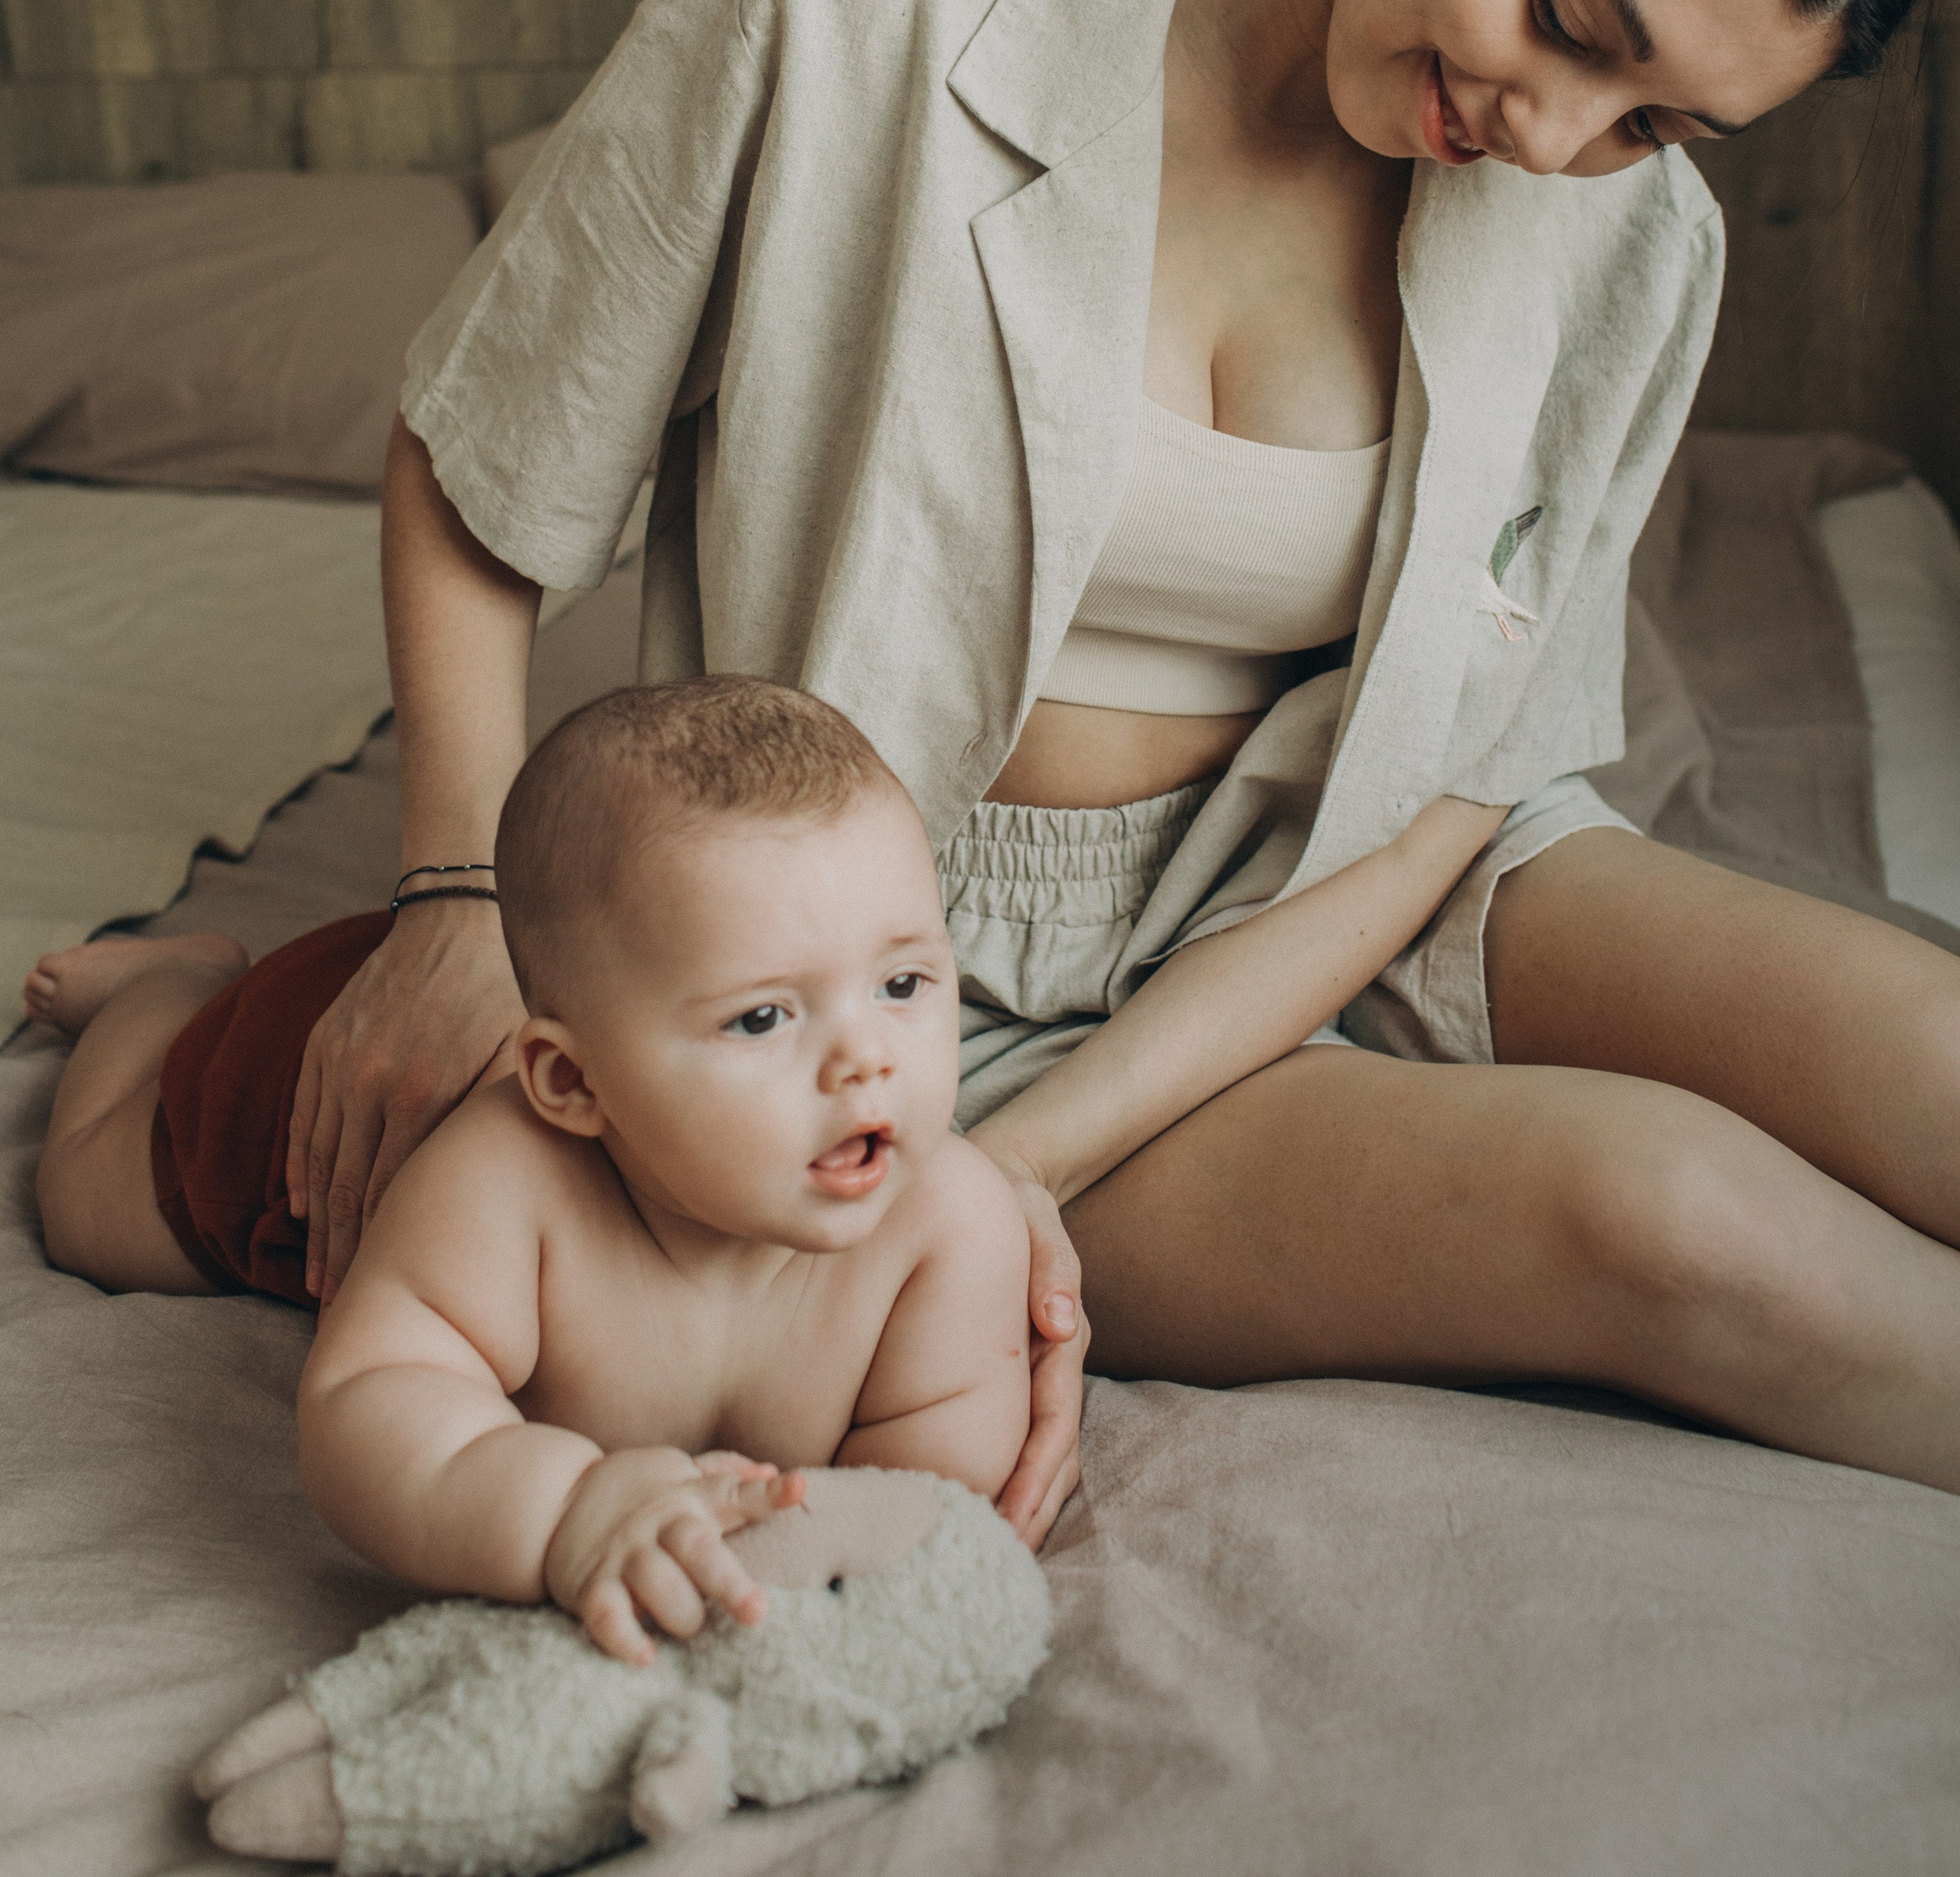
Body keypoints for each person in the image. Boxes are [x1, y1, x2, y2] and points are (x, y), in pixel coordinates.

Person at [29, 0, 1960, 1531]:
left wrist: (1049, 1162)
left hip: (1353, 863)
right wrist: (459, 896)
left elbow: (1456, 786)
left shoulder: (1635, 244)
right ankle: (176, 996)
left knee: (1929, 1054)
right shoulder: (847, 2)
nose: (1553, 143)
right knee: (1678, 1223)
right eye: (1565, 20)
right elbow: (482, 467)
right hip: (910, 964)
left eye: (1654, 122)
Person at [35, 675, 1503, 1652]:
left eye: (907, 987)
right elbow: (367, 1406)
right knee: (94, 1205)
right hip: (298, 1096)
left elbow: (928, 1485)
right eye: (761, 1016)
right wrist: (556, 1515)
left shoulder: (944, 1230)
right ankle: (163, 987)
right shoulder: (500, 1187)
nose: (866, 1061)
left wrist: (833, 1575)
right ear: (570, 1082)